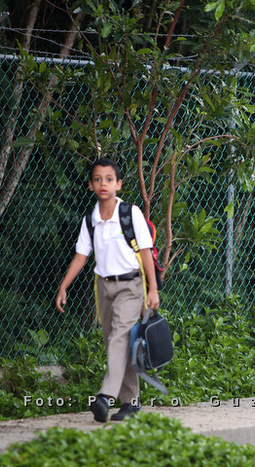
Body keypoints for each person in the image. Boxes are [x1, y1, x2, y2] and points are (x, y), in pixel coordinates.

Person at [55, 158, 160, 421]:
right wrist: (63, 286)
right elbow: (81, 256)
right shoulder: (90, 219)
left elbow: (146, 253)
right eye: (98, 179)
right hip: (103, 287)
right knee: (115, 343)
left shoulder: (130, 213)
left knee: (119, 339)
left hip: (131, 286)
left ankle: (105, 397)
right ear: (91, 185)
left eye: (109, 179)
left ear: (119, 184)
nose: (104, 183)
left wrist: (153, 290)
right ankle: (131, 403)